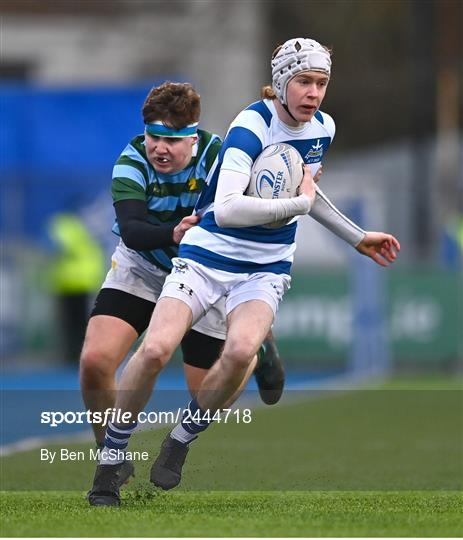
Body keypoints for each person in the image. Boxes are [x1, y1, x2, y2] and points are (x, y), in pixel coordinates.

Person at [88, 38, 400, 506]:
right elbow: (231, 210)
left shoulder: (323, 128)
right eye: (303, 82)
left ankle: (179, 441)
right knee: (153, 349)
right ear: (280, 82)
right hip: (207, 255)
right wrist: (300, 203)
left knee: (237, 356)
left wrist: (357, 236)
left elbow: (306, 191)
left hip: (266, 267)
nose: (313, 93)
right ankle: (110, 461)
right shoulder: (252, 125)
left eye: (321, 83)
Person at [81, 82, 284, 496]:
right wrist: (172, 232)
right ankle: (112, 458)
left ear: (193, 136)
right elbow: (134, 230)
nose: (160, 148)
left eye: (172, 140)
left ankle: (256, 345)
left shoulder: (219, 155)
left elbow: (263, 190)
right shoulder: (131, 159)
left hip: (203, 269)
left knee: (210, 393)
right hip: (144, 267)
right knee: (95, 359)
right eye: (154, 137)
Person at [47, 211, 104, 363]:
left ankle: (74, 354)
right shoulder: (84, 229)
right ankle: (75, 354)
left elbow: (56, 249)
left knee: (74, 323)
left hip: (74, 283)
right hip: (76, 283)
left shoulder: (64, 228)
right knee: (76, 323)